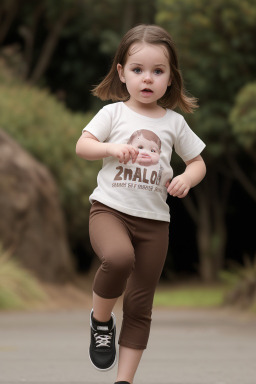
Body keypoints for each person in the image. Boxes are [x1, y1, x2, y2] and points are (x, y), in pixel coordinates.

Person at [76, 24, 206, 384]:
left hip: (154, 223)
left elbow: (197, 162)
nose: (147, 79)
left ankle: (124, 381)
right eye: (137, 70)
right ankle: (100, 321)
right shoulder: (113, 115)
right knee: (118, 258)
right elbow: (82, 146)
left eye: (157, 71)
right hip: (110, 211)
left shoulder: (174, 123)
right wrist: (109, 148)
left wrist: (186, 178)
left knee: (139, 305)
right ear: (121, 72)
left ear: (170, 78)